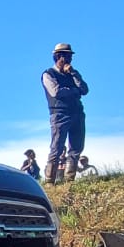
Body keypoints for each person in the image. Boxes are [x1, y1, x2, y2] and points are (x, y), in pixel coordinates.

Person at [41, 42, 89, 184]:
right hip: (60, 114)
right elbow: (56, 92)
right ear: (58, 57)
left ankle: (70, 179)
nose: (69, 59)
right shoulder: (48, 74)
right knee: (57, 148)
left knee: (76, 147)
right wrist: (75, 91)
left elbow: (85, 89)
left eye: (70, 56)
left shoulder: (74, 73)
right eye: (66, 56)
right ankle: (50, 181)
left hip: (77, 113)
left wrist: (73, 74)